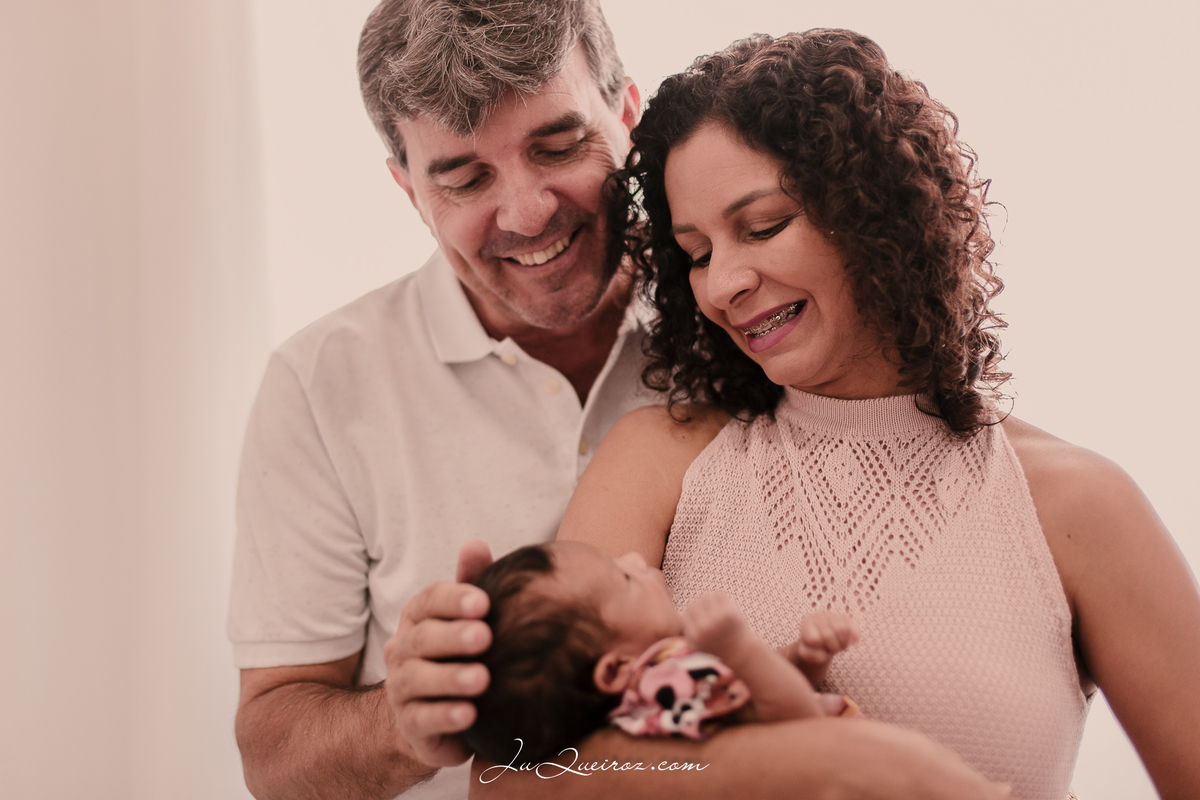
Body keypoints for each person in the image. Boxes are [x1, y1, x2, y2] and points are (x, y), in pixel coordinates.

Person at [511, 28, 1197, 800]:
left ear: (875, 213)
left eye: (763, 226)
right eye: (697, 253)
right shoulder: (657, 461)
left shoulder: (1081, 506)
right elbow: (511, 779)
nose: (723, 285)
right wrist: (853, 765)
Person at [228, 2, 651, 798]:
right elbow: (271, 755)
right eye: (464, 179)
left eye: (559, 145)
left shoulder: (747, 312)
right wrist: (403, 722)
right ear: (410, 191)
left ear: (627, 114)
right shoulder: (320, 384)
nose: (528, 213)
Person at [462, 541, 859, 763]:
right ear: (616, 669)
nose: (636, 558)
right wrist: (740, 649)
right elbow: (796, 723)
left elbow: (759, 694)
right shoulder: (665, 682)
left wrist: (806, 657)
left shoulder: (643, 709)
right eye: (624, 577)